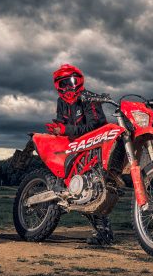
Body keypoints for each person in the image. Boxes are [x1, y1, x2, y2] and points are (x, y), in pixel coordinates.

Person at [46, 64, 115, 246]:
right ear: (58, 86)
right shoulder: (61, 102)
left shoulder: (89, 98)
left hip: (96, 146)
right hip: (75, 146)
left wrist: (65, 129)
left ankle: (103, 231)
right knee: (71, 183)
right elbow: (61, 121)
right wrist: (57, 128)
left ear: (79, 81)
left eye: (71, 82)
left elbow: (93, 127)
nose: (68, 87)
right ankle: (56, 205)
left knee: (93, 189)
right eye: (64, 84)